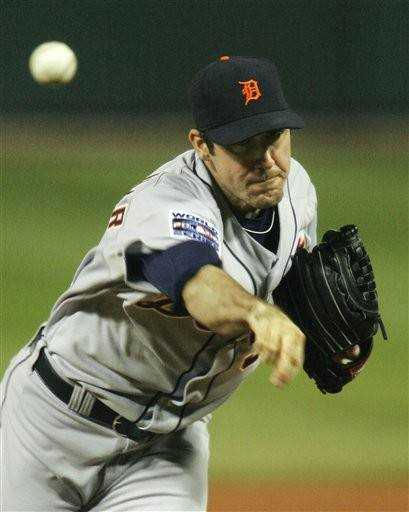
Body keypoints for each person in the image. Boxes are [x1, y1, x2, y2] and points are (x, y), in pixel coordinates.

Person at [1, 56, 317, 511]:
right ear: (202, 146)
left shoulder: (299, 191)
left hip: (166, 449)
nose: (267, 161)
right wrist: (254, 312)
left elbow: (291, 280)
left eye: (275, 138)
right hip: (51, 428)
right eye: (244, 145)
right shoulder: (165, 203)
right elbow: (197, 282)